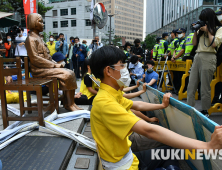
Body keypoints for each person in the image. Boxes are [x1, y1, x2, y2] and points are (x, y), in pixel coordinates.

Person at [90, 45, 222, 170]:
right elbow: (149, 130)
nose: (126, 69)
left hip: (128, 156)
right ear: (108, 70)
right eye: (122, 65)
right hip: (125, 166)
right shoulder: (105, 103)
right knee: (168, 148)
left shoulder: (110, 94)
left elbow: (136, 104)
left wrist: (162, 105)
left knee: (169, 152)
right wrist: (207, 146)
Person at [25, 13, 80, 111]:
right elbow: (35, 58)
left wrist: (56, 64)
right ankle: (68, 104)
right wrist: (54, 66)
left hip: (46, 68)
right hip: (39, 70)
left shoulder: (40, 39)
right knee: (67, 75)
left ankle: (70, 103)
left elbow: (48, 57)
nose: (43, 24)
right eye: (40, 21)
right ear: (33, 22)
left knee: (70, 72)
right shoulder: (31, 39)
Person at [187, 8, 222, 117]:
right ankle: (189, 108)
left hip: (209, 56)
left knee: (205, 87)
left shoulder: (219, 29)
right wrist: (196, 32)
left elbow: (214, 44)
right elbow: (194, 43)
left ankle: (205, 110)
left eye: (205, 19)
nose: (203, 21)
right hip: (197, 56)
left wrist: (208, 30)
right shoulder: (201, 29)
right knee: (191, 85)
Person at [171, 28, 186, 94]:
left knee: (181, 77)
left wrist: (175, 57)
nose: (178, 34)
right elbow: (175, 50)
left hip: (182, 62)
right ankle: (176, 89)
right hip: (176, 61)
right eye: (178, 33)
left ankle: (180, 90)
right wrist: (173, 57)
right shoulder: (178, 41)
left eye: (180, 33)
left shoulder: (185, 40)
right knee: (176, 76)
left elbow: (182, 51)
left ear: (184, 33)